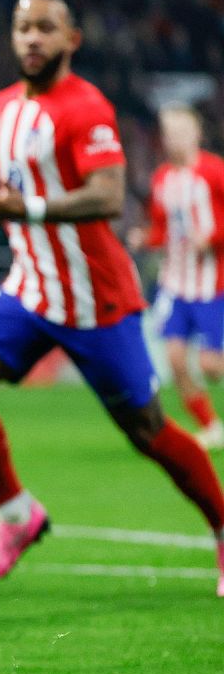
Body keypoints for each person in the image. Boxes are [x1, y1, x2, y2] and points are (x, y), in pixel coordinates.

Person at [0, 0, 224, 595]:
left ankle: (223, 527)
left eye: (46, 28)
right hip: (30, 290)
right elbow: (3, 189)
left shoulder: (87, 108)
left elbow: (107, 195)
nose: (32, 38)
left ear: (72, 40)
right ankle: (17, 514)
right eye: (23, 27)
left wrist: (29, 208)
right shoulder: (1, 108)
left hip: (97, 301)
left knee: (147, 429)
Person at [133, 106, 224, 450]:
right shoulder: (162, 179)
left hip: (212, 285)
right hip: (175, 284)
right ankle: (211, 426)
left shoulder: (214, 172)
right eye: (169, 134)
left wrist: (213, 238)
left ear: (197, 134)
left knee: (212, 367)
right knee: (174, 359)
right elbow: (162, 229)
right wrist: (146, 238)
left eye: (181, 133)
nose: (175, 140)